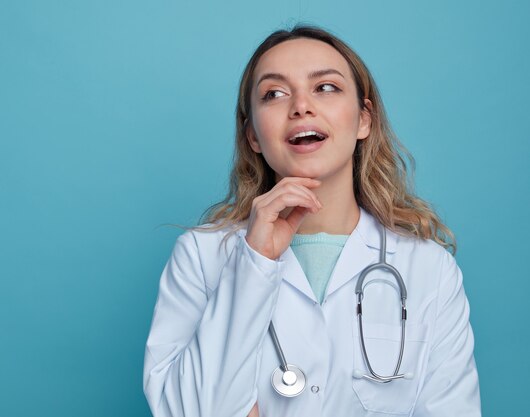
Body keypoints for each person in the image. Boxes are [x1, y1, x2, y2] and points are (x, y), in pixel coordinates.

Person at [143, 25, 481, 417]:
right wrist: (255, 263)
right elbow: (188, 411)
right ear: (252, 134)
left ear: (363, 120)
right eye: (274, 94)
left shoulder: (428, 269)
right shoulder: (200, 257)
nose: (301, 106)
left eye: (325, 88)